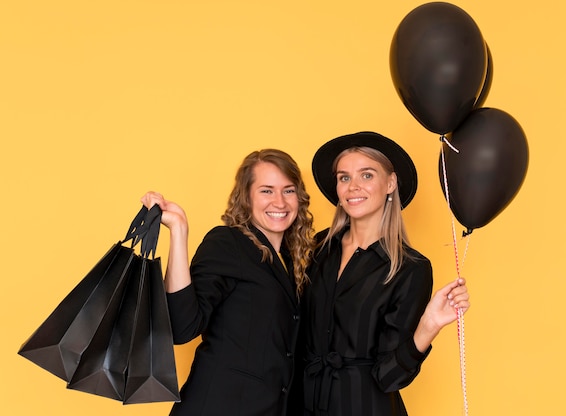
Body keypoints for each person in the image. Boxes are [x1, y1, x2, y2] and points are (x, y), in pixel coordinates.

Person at [298, 131, 470, 415]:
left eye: (367, 175)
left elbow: (389, 377)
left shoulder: (410, 269)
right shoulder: (317, 247)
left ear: (390, 183)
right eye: (344, 177)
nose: (353, 187)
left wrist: (428, 326)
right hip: (304, 405)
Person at [141, 149, 315, 416]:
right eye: (266, 191)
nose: (279, 202)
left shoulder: (293, 261)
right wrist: (179, 231)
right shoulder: (228, 243)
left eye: (288, 190)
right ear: (246, 197)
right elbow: (182, 327)